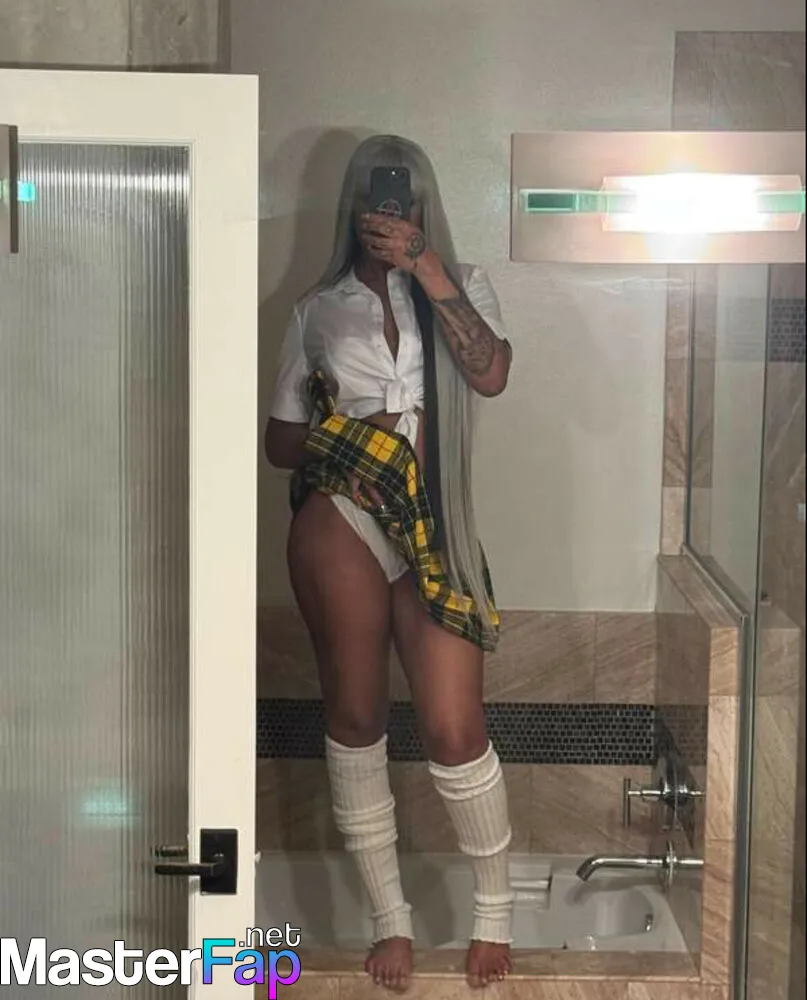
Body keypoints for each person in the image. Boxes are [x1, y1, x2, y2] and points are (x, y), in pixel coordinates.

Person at [264, 134, 514, 992]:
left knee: (453, 726)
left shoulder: (461, 283)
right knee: (356, 711)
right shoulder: (317, 308)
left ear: (422, 204)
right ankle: (389, 920)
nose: (387, 208)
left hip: (436, 518)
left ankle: (494, 912)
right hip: (343, 516)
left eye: (402, 196)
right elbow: (280, 443)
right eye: (374, 195)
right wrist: (347, 435)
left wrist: (427, 270)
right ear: (351, 205)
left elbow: (490, 375)